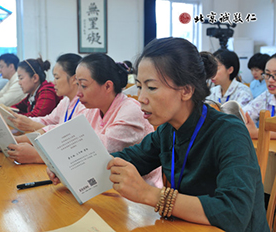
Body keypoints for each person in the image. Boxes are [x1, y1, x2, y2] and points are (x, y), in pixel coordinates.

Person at [48, 38, 269, 231]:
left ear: (186, 90)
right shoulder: (167, 131)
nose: (141, 97)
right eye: (140, 87)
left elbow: (234, 214)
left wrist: (149, 195)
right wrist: (71, 171)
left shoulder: (229, 133)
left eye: (151, 88)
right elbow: (123, 160)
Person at [9, 53, 160, 187]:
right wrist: (22, 140)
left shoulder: (130, 110)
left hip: (139, 191)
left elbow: (100, 152)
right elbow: (66, 131)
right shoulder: (93, 109)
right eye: (78, 85)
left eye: (84, 86)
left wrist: (41, 157)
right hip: (106, 183)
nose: (79, 93)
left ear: (107, 86)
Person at [243, 53, 276, 139]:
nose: (270, 80)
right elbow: (245, 113)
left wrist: (257, 133)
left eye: (275, 75)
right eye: (267, 74)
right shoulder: (266, 96)